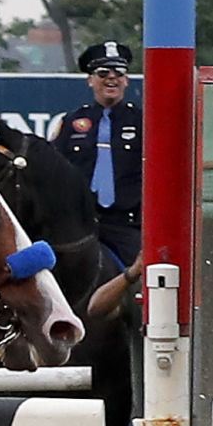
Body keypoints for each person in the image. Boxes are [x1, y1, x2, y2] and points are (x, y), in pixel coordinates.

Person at [54, 41, 144, 267]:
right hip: (80, 224)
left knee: (138, 284)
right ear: (91, 79)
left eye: (118, 72)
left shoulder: (143, 122)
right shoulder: (72, 122)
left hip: (126, 225)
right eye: (103, 72)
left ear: (126, 80)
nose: (111, 78)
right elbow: (55, 169)